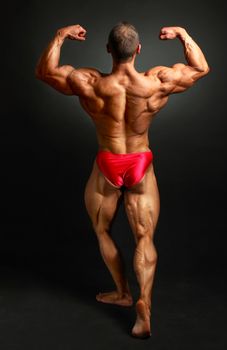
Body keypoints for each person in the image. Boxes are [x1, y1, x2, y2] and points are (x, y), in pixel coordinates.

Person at [35, 21, 210, 339]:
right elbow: (200, 68)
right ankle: (144, 303)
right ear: (138, 50)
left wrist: (60, 36)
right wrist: (183, 35)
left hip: (108, 162)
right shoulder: (157, 81)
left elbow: (46, 72)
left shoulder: (88, 81)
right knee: (145, 238)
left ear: (108, 51)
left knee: (102, 229)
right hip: (140, 161)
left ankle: (122, 292)